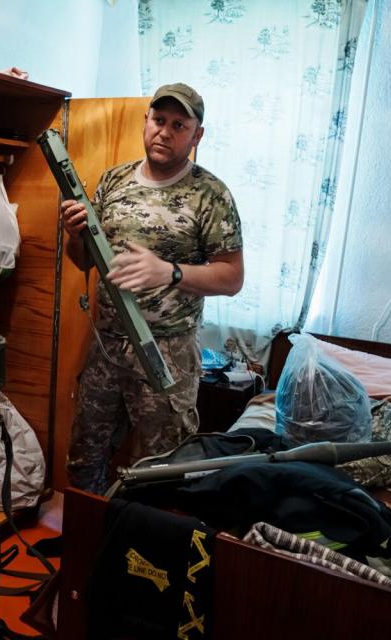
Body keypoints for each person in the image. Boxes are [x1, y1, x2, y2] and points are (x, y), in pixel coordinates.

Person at [61, 82, 244, 494]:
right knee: (84, 460)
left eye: (179, 125)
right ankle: (86, 549)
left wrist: (169, 272)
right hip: (107, 347)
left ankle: (140, 553)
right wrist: (75, 234)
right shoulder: (114, 181)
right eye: (159, 120)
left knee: (160, 473)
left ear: (197, 136)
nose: (165, 131)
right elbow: (86, 261)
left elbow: (232, 278)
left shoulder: (210, 195)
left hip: (168, 354)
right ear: (146, 122)